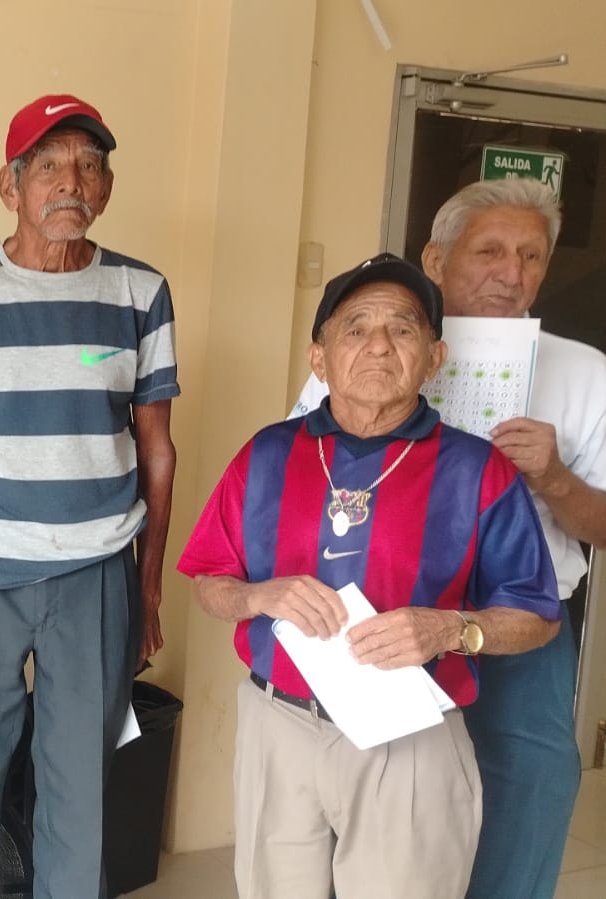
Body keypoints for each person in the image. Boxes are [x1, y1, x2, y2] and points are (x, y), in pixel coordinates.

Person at [181, 253, 562, 898]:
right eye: (355, 327)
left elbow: (537, 617)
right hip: (281, 725)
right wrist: (256, 595)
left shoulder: (477, 470)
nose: (379, 344)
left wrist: (451, 630)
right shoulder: (267, 454)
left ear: (434, 357)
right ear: (320, 358)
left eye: (403, 328)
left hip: (411, 735)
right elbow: (209, 581)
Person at [290, 179, 605, 899]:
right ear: (435, 260)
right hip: (379, 621)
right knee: (374, 811)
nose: (511, 272)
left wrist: (553, 478)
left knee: (526, 789)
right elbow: (299, 477)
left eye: (531, 255)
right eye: (489, 251)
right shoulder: (366, 352)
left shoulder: (584, 372)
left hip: (521, 627)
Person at [0, 94, 179, 898]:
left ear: (107, 187)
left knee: (79, 795)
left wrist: (146, 585)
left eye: (88, 166)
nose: (70, 182)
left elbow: (156, 449)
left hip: (95, 574)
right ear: (9, 185)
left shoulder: (140, 292)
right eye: (49, 165)